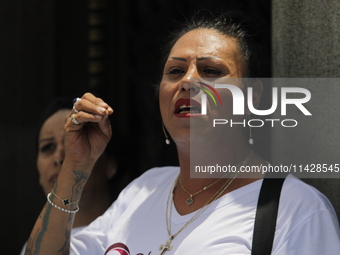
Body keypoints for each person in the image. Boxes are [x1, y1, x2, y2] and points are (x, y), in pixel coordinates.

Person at [24, 11, 340, 254]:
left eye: (211, 71)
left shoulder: (298, 210)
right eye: (175, 71)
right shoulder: (142, 191)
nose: (187, 82)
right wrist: (75, 166)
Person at [20, 96, 131, 255]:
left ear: (111, 165)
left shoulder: (131, 233)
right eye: (48, 147)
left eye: (76, 143)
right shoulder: (33, 248)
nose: (59, 157)